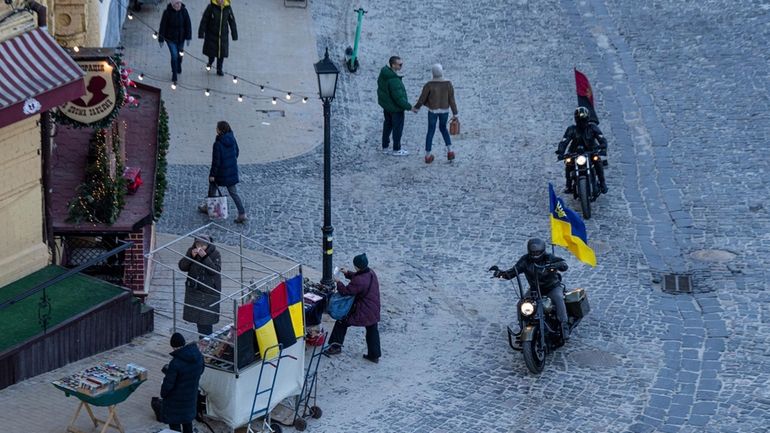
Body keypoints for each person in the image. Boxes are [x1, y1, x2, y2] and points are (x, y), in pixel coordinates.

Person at [489, 238, 571, 339]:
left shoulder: (549, 258)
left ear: (543, 251)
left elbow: (563, 265)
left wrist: (556, 265)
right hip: (535, 290)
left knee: (558, 299)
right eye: (533, 252)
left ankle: (564, 326)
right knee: (521, 304)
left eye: (538, 252)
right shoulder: (525, 260)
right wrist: (501, 273)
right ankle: (523, 327)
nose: (535, 254)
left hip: (552, 287)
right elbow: (513, 271)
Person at [324, 253, 382, 363]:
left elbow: (346, 291)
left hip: (363, 309)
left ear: (357, 266)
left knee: (342, 321)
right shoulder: (370, 272)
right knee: (372, 329)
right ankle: (374, 355)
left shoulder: (360, 280)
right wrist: (347, 273)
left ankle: (335, 346)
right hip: (373, 308)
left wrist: (338, 282)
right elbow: (359, 278)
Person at [198, 121, 247, 223]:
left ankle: (209, 207)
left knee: (212, 189)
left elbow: (216, 162)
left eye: (217, 128)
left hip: (221, 173)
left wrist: (212, 175)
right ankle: (242, 213)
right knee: (234, 193)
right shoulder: (232, 139)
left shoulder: (218, 144)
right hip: (231, 171)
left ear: (220, 130)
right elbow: (237, 152)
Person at [555, 106, 609, 194]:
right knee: (568, 164)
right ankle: (568, 185)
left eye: (583, 120)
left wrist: (602, 146)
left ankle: (602, 183)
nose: (582, 122)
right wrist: (561, 152)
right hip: (574, 152)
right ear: (576, 120)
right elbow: (564, 141)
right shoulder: (571, 129)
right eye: (580, 120)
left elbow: (601, 137)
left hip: (591, 151)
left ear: (587, 119)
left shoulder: (592, 127)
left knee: (598, 161)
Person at [411, 64, 458, 163]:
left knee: (430, 131)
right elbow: (452, 99)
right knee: (443, 129)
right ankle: (450, 151)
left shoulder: (429, 85)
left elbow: (422, 98)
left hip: (432, 111)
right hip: (444, 111)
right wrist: (455, 113)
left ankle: (428, 156)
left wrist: (416, 108)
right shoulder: (448, 84)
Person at [178, 235, 222, 337]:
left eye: (203, 245)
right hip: (195, 290)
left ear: (208, 244)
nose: (200, 247)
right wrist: (190, 257)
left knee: (206, 319)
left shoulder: (215, 253)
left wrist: (205, 257)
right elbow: (182, 266)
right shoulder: (191, 251)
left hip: (209, 291)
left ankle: (206, 340)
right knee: (198, 317)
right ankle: (203, 339)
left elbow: (215, 271)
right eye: (198, 244)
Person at [160, 333, 204, 433]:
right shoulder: (198, 356)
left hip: (175, 403)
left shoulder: (175, 363)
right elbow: (200, 371)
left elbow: (168, 385)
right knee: (187, 423)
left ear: (174, 347)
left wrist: (163, 394)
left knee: (175, 427)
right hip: (190, 398)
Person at [377, 56, 412, 156]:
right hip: (396, 109)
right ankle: (396, 149)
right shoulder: (394, 80)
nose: (401, 66)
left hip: (387, 106)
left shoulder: (383, 74)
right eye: (400, 64)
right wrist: (409, 107)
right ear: (393, 65)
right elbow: (398, 98)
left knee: (387, 125)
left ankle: (385, 147)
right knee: (397, 128)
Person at [198, 0, 238, 76]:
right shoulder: (211, 7)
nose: (221, 1)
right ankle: (210, 63)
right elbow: (204, 20)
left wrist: (234, 34)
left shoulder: (228, 8)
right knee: (212, 54)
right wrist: (201, 33)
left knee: (221, 54)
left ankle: (219, 69)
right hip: (211, 34)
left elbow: (232, 21)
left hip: (223, 35)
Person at [158, 0, 192, 84]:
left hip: (181, 38)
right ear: (173, 4)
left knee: (180, 55)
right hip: (170, 39)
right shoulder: (167, 13)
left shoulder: (184, 11)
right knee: (174, 55)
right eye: (176, 3)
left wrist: (188, 37)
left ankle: (179, 64)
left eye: (179, 3)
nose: (178, 5)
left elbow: (188, 24)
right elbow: (162, 26)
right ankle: (174, 74)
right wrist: (161, 39)